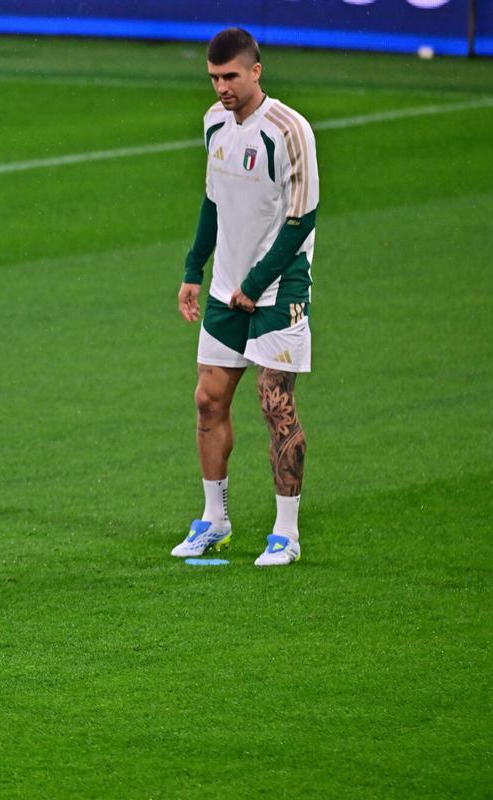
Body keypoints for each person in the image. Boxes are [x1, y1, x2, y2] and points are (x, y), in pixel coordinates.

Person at [173, 27, 318, 567]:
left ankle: (286, 532)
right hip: (225, 287)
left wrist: (255, 286)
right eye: (213, 78)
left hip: (279, 289)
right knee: (208, 400)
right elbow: (212, 201)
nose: (221, 88)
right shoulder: (213, 124)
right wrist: (194, 268)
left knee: (274, 403)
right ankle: (215, 519)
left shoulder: (288, 130)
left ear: (256, 71)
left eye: (230, 76)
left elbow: (303, 218)